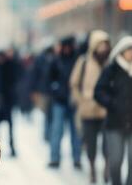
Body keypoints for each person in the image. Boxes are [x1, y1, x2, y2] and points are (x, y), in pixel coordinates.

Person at [94, 36, 132, 185]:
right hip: (115, 122)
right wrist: (112, 103)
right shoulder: (111, 69)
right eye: (129, 50)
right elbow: (99, 91)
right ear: (121, 51)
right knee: (115, 161)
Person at [70, 30, 111, 183]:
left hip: (106, 109)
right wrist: (80, 100)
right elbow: (74, 83)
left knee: (108, 142)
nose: (103, 48)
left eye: (105, 45)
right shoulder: (84, 61)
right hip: (88, 110)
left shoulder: (110, 62)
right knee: (90, 143)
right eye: (100, 44)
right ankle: (92, 168)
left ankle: (107, 167)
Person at [47, 36, 82, 169]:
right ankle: (54, 157)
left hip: (74, 100)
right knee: (57, 130)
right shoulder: (56, 61)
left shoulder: (77, 60)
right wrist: (55, 90)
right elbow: (49, 78)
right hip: (59, 100)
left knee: (76, 131)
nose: (67, 49)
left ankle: (77, 158)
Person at [0, 48, 21, 157]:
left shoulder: (9, 65)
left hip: (8, 100)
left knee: (10, 124)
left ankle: (11, 147)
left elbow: (16, 77)